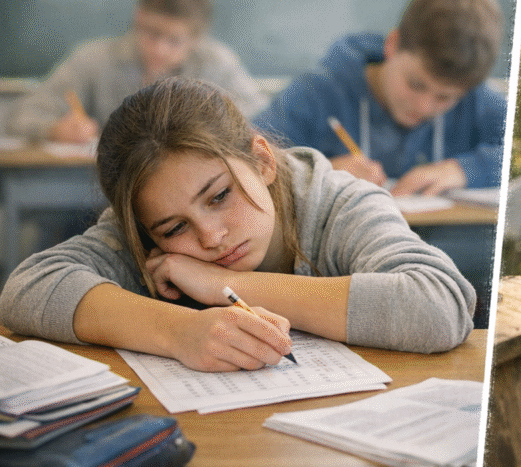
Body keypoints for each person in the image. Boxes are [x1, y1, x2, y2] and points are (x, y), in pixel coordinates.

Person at [0, 77, 475, 372]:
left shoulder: (338, 201)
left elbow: (440, 305)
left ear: (262, 161)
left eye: (219, 196)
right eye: (173, 229)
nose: (210, 237)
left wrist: (223, 285)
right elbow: (28, 288)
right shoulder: (145, 225)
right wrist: (179, 331)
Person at [253, 0, 506, 197]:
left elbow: (519, 151)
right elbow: (244, 156)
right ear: (392, 45)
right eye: (415, 84)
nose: (424, 107)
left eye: (445, 98)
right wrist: (317, 173)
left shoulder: (474, 97)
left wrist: (465, 170)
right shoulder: (315, 93)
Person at [8, 0, 267, 143]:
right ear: (138, 16)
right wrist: (54, 129)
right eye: (152, 33)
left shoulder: (217, 64)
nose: (160, 49)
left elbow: (261, 122)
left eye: (174, 41)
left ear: (196, 38)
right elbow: (22, 116)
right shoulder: (92, 60)